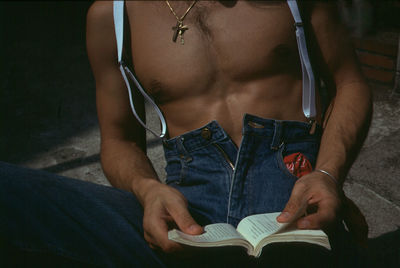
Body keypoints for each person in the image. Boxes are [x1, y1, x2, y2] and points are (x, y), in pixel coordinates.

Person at [0, 0, 372, 267]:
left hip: (293, 206)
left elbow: (349, 83)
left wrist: (327, 175)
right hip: (188, 216)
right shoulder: (112, 15)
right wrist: (148, 190)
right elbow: (119, 141)